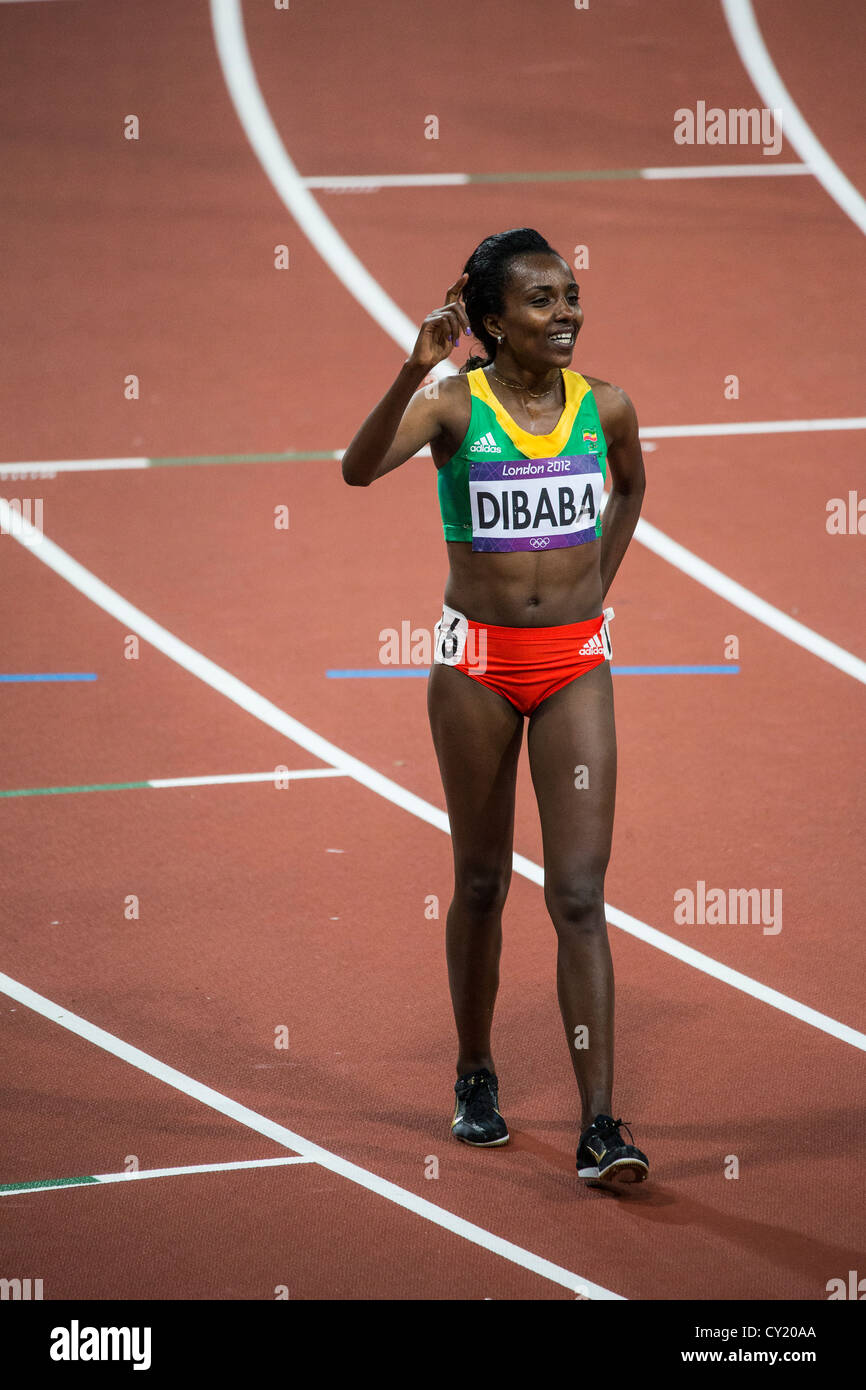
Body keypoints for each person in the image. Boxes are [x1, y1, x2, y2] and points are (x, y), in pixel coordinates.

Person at [341, 228, 649, 1187]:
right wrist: (410, 367)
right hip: (475, 670)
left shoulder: (608, 407)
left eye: (571, 296)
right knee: (481, 883)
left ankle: (601, 1123)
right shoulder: (450, 406)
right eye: (542, 302)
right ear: (491, 323)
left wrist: (594, 581)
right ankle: (476, 1071)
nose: (567, 315)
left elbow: (631, 488)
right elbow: (356, 470)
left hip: (574, 667)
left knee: (580, 894)